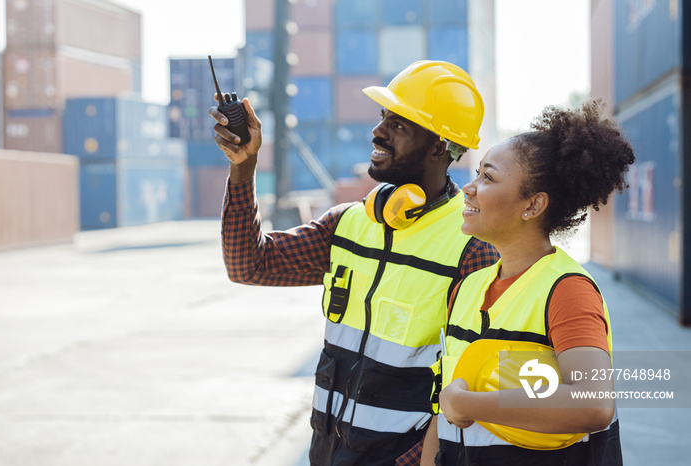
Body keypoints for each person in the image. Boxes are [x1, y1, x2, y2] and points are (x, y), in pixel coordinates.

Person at [211, 60, 499, 466]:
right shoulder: (348, 224)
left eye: (398, 125)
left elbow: (479, 388)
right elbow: (248, 265)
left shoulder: (473, 248)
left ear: (439, 147)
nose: (377, 132)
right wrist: (243, 166)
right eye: (384, 117)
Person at [420, 100, 635, 466]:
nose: (468, 189)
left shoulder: (567, 290)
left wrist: (470, 404)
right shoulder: (468, 287)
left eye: (488, 177)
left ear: (532, 205)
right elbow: (446, 409)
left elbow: (594, 403)